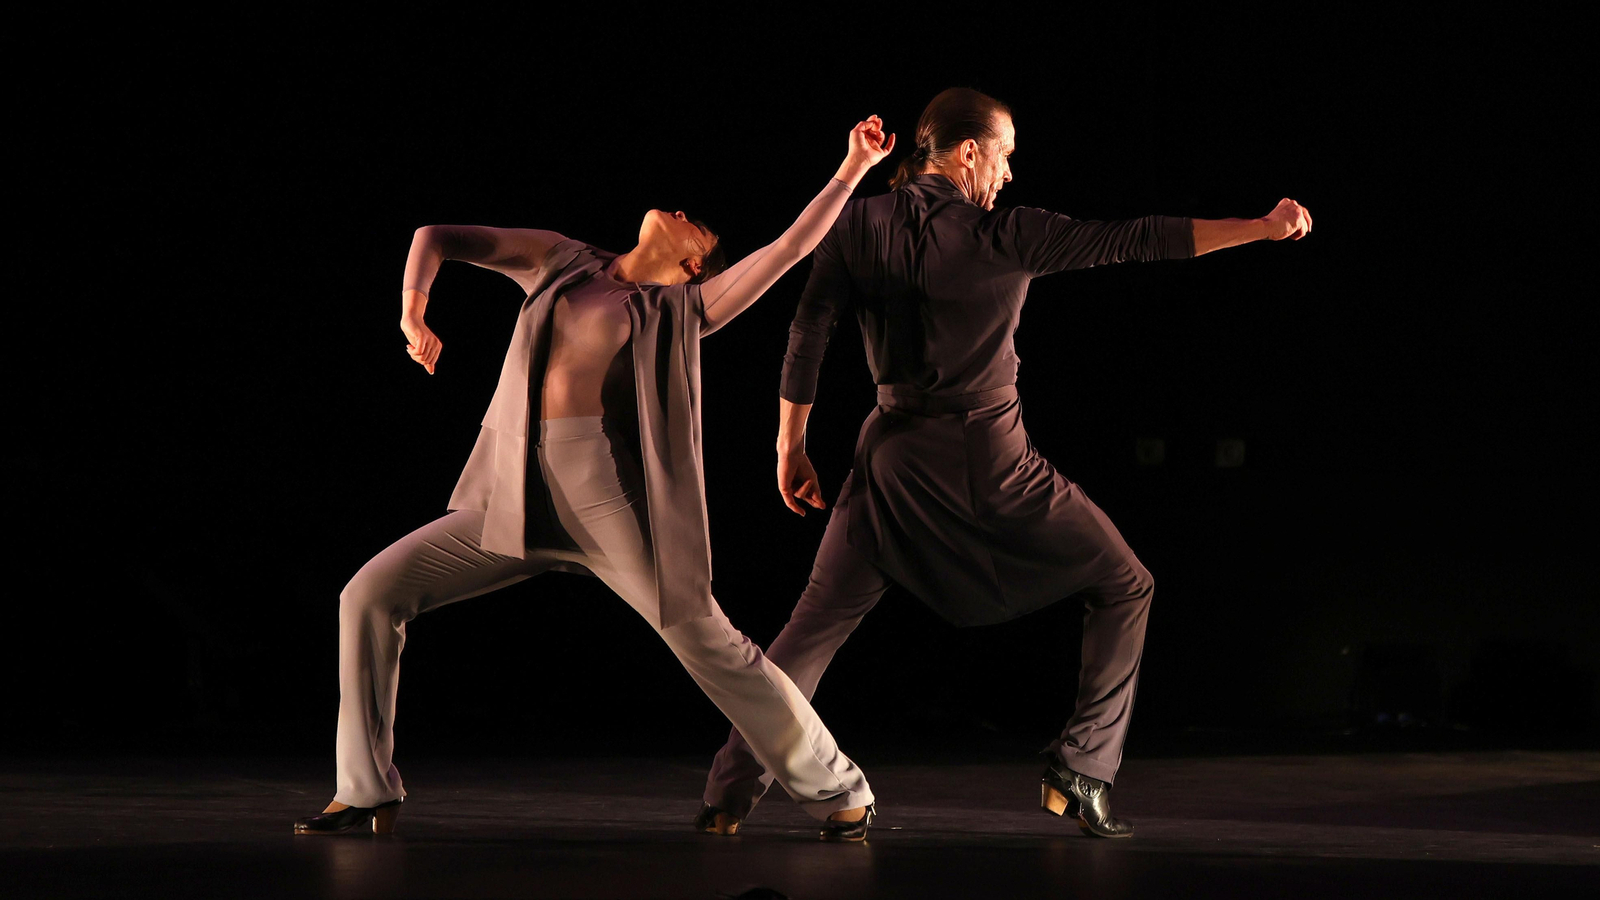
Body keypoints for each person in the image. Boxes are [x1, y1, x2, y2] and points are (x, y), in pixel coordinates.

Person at [698, 88, 1312, 839]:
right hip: (990, 459)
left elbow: (808, 332)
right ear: (968, 153)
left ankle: (729, 791)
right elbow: (1138, 239)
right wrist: (1261, 228)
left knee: (811, 628)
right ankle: (1083, 768)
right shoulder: (1006, 233)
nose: (1010, 172)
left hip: (888, 457)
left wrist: (789, 446)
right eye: (1006, 153)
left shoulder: (854, 222)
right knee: (1126, 582)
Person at [293, 116, 897, 842]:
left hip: (600, 500)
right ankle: (364, 790)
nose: (678, 212)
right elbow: (437, 237)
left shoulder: (688, 305)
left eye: (692, 225)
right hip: (512, 492)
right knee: (369, 594)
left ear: (696, 264)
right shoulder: (563, 260)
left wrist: (851, 166)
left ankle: (839, 787)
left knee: (708, 639)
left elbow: (792, 247)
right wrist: (412, 309)